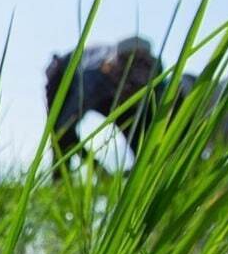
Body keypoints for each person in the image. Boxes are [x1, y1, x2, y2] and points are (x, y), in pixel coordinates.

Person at [44, 36, 162, 179]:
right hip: (65, 76)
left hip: (110, 90)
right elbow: (63, 129)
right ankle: (60, 182)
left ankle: (147, 176)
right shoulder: (93, 79)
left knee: (137, 126)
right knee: (61, 135)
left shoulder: (154, 71)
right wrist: (96, 167)